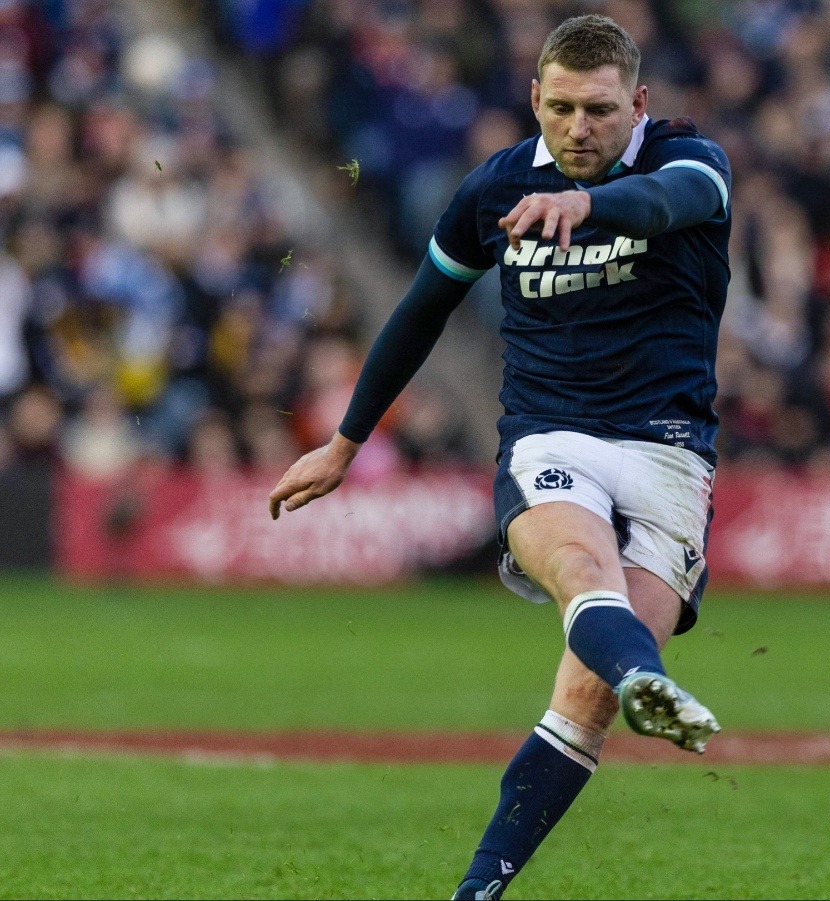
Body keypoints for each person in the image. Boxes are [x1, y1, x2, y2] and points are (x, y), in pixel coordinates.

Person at [265, 16, 732, 901]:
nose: (577, 128)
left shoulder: (693, 160)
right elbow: (420, 309)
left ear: (637, 103)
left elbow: (666, 204)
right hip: (551, 437)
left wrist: (587, 202)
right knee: (583, 574)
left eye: (598, 110)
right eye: (558, 108)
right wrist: (346, 440)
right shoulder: (499, 186)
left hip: (670, 452)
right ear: (534, 100)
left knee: (581, 708)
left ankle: (481, 879)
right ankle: (646, 678)